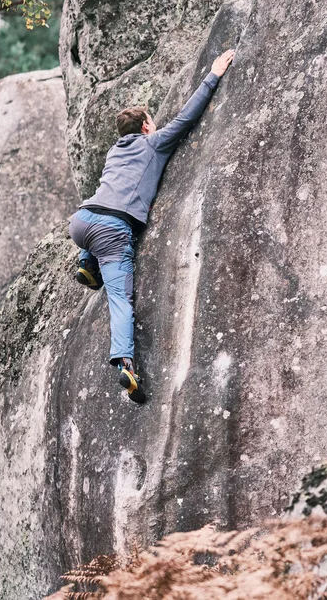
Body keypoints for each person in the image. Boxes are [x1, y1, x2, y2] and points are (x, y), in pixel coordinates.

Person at [70, 49, 236, 404]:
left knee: (101, 206)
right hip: (112, 230)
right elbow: (187, 118)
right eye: (151, 121)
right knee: (120, 299)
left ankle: (86, 262)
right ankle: (125, 364)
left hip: (81, 224)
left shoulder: (115, 152)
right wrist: (213, 74)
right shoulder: (154, 143)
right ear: (146, 126)